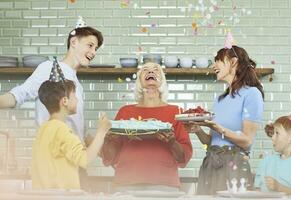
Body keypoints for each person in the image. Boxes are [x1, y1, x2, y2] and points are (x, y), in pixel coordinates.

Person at [0, 25, 103, 143]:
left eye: (96, 48)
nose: (93, 52)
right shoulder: (49, 67)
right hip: (53, 153)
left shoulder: (77, 85)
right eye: (90, 45)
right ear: (74, 42)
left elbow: (79, 128)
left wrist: (101, 146)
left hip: (74, 156)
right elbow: (19, 94)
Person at [100, 62, 193, 192]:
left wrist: (172, 142)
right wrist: (107, 138)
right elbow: (109, 157)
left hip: (164, 184)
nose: (151, 72)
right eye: (145, 70)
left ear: (162, 81)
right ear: (139, 81)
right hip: (126, 183)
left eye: (156, 70)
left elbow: (183, 158)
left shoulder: (176, 112)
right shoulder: (125, 112)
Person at [184, 45, 264, 194]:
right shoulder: (220, 99)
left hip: (235, 165)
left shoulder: (252, 94)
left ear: (233, 62)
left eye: (218, 61)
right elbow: (211, 142)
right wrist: (197, 130)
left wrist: (217, 128)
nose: (214, 66)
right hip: (211, 162)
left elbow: (247, 141)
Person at [31, 79, 111, 189]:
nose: (77, 100)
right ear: (64, 101)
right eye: (74, 96)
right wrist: (102, 131)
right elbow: (85, 159)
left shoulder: (44, 129)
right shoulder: (61, 130)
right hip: (62, 196)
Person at [254, 115, 291, 194]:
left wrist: (279, 187)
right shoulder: (266, 161)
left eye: (277, 133)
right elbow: (257, 189)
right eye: (273, 133)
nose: (272, 137)